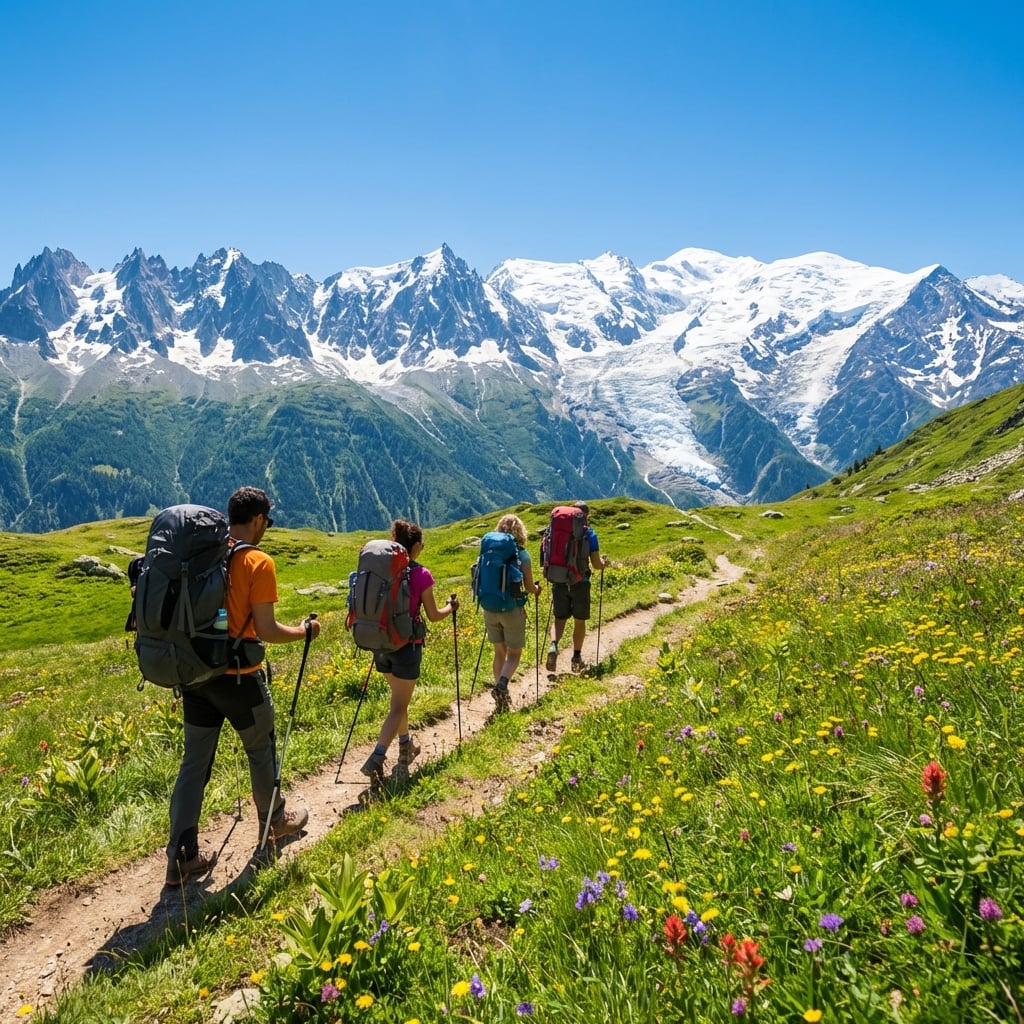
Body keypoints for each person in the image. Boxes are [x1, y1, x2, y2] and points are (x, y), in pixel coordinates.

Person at [165, 487, 321, 887]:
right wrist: (304, 631)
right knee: (260, 749)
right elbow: (266, 629)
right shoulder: (257, 561)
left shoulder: (204, 555)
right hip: (239, 679)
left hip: (196, 675)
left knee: (194, 764)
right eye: (267, 521)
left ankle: (182, 856)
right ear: (257, 519)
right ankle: (275, 823)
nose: (267, 528)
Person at [360, 518, 459, 798]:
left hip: (380, 645)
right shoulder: (421, 575)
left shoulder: (382, 572)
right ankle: (377, 758)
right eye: (421, 545)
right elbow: (433, 615)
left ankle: (407, 746)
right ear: (414, 546)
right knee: (398, 707)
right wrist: (451, 607)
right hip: (407, 647)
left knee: (398, 703)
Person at [486, 513, 542, 713]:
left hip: (490, 609)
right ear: (520, 532)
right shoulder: (523, 556)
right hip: (512, 609)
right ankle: (502, 685)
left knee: (499, 652)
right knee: (514, 654)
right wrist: (536, 589)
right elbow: (528, 586)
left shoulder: (489, 553)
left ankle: (501, 698)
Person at [545, 501, 609, 674]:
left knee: (559, 619)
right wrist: (604, 564)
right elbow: (596, 564)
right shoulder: (589, 534)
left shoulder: (555, 531)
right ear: (585, 516)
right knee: (579, 621)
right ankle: (576, 657)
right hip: (580, 582)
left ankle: (553, 645)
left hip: (558, 580)